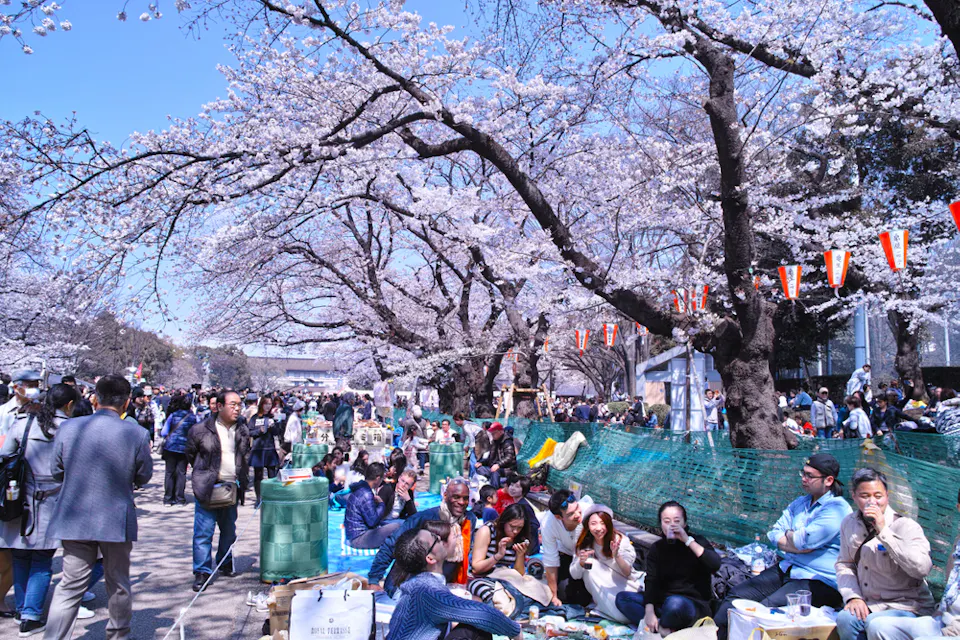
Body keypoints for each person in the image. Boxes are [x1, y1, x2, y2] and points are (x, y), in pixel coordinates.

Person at [43, 374, 153, 640]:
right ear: (126, 402)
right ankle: (118, 635)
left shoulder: (69, 428)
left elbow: (56, 470)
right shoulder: (136, 433)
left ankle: (54, 636)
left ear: (95, 399)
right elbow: (143, 476)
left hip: (74, 514)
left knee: (70, 586)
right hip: (115, 517)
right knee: (118, 583)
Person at [714, 454, 851, 639]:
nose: (804, 479)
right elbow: (775, 533)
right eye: (803, 473)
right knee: (736, 598)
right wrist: (795, 541)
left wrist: (793, 538)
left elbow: (804, 541)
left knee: (766, 611)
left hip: (818, 580)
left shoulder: (837, 508)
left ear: (828, 480)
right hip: (788, 567)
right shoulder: (800, 502)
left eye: (810, 476)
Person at [0, 383, 76, 635]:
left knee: (21, 555)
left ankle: (22, 609)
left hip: (19, 498)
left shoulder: (24, 423)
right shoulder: (70, 428)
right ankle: (31, 616)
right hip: (53, 500)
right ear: (69, 405)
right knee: (42, 560)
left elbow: (5, 455)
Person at [834, 468, 936, 640]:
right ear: (854, 496)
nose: (872, 502)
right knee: (846, 619)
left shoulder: (906, 526)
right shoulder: (849, 523)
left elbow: (921, 568)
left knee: (874, 622)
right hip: (870, 603)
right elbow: (845, 564)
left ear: (887, 496)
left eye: (878, 496)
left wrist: (883, 530)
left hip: (906, 606)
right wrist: (853, 597)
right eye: (865, 496)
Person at [386, 526, 522, 640]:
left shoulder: (414, 581)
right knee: (476, 629)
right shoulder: (427, 589)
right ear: (430, 558)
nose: (439, 538)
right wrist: (516, 631)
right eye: (435, 538)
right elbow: (483, 615)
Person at [866, 486, 960, 640]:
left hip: (955, 629)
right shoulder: (958, 541)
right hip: (941, 621)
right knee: (879, 627)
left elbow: (920, 568)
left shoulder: (906, 526)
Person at [615, 501, 719, 634]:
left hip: (690, 606)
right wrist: (649, 611)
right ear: (661, 524)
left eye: (677, 521)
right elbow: (651, 581)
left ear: (684, 523)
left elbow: (715, 565)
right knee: (623, 598)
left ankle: (660, 628)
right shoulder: (657, 548)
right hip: (663, 604)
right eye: (667, 521)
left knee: (674, 604)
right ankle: (664, 629)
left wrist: (687, 540)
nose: (672, 525)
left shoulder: (697, 542)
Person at [185, 390, 251, 592]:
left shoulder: (242, 429)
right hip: (208, 487)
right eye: (233, 404)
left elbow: (245, 455)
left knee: (228, 530)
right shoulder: (200, 429)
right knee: (203, 532)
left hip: (231, 487)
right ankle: (202, 571)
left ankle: (225, 560)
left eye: (239, 404)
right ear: (219, 406)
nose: (237, 408)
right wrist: (204, 475)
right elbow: (191, 454)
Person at [368, 478, 475, 596]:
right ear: (445, 496)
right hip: (407, 586)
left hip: (446, 586)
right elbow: (391, 545)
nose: (461, 502)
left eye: (465, 498)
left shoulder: (469, 520)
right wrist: (374, 579)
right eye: (456, 497)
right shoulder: (424, 518)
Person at [569, 505, 642, 624]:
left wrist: (617, 555)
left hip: (625, 586)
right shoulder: (585, 544)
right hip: (602, 590)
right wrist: (580, 563)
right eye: (593, 523)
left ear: (609, 524)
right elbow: (575, 575)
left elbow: (627, 572)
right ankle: (608, 607)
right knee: (589, 566)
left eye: (603, 523)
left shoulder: (619, 541)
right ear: (587, 525)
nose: (598, 528)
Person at [542, 489, 590, 607]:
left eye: (577, 508)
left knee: (585, 597)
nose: (577, 515)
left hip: (589, 556)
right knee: (564, 594)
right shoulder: (548, 524)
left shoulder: (589, 512)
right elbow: (550, 561)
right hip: (567, 553)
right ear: (559, 517)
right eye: (571, 514)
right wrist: (554, 596)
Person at [345, 463, 403, 549]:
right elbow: (373, 521)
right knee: (397, 526)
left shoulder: (360, 488)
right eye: (382, 478)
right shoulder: (366, 493)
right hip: (358, 539)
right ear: (377, 478)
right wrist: (381, 504)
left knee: (392, 523)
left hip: (352, 535)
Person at [470, 503, 531, 577]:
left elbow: (519, 574)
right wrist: (498, 555)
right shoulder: (487, 531)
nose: (515, 531)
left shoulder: (520, 537)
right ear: (504, 522)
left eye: (519, 528)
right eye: (512, 526)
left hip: (506, 578)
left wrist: (520, 555)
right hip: (484, 577)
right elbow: (476, 568)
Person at [160, 393, 199, 506]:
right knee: (181, 473)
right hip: (185, 448)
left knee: (169, 472)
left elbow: (164, 432)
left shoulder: (173, 415)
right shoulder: (193, 417)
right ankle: (180, 499)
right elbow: (196, 433)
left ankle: (168, 498)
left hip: (170, 447)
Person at [248, 396, 281, 507]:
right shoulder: (255, 418)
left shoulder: (272, 417)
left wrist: (273, 426)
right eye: (266, 403)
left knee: (272, 474)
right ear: (261, 404)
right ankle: (259, 498)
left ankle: (272, 497)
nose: (268, 406)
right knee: (258, 475)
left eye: (270, 404)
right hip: (258, 450)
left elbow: (277, 433)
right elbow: (250, 432)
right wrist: (259, 430)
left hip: (270, 449)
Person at [475, 422, 515, 489]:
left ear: (500, 432)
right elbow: (491, 457)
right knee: (480, 468)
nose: (492, 435)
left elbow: (509, 457)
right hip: (495, 467)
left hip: (507, 469)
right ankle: (484, 486)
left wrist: (498, 465)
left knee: (495, 471)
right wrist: (482, 462)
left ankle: (494, 490)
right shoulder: (494, 442)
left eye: (493, 433)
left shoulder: (507, 442)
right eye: (491, 433)